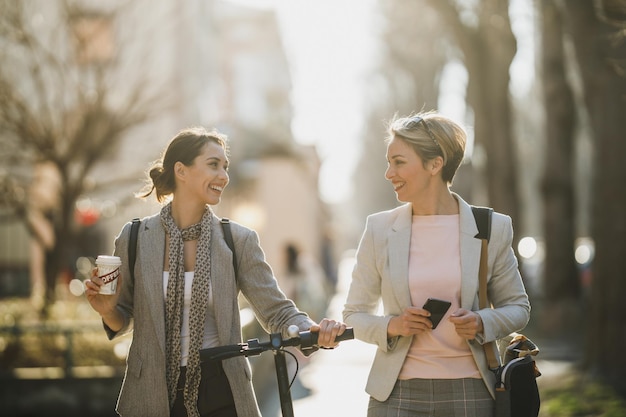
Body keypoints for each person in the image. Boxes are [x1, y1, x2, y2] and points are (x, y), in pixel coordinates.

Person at [84, 127, 346, 417]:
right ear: (181, 171)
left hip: (221, 387)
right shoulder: (135, 238)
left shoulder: (236, 240)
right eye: (213, 165)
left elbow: (276, 310)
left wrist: (310, 329)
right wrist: (107, 310)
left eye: (225, 166)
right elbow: (124, 316)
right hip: (150, 390)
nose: (224, 175)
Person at [342, 112, 531, 417]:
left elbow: (518, 307)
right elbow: (353, 314)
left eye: (399, 162)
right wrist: (393, 325)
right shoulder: (379, 229)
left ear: (435, 164)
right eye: (389, 162)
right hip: (396, 393)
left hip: (471, 391)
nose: (389, 173)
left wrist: (482, 322)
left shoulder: (490, 227)